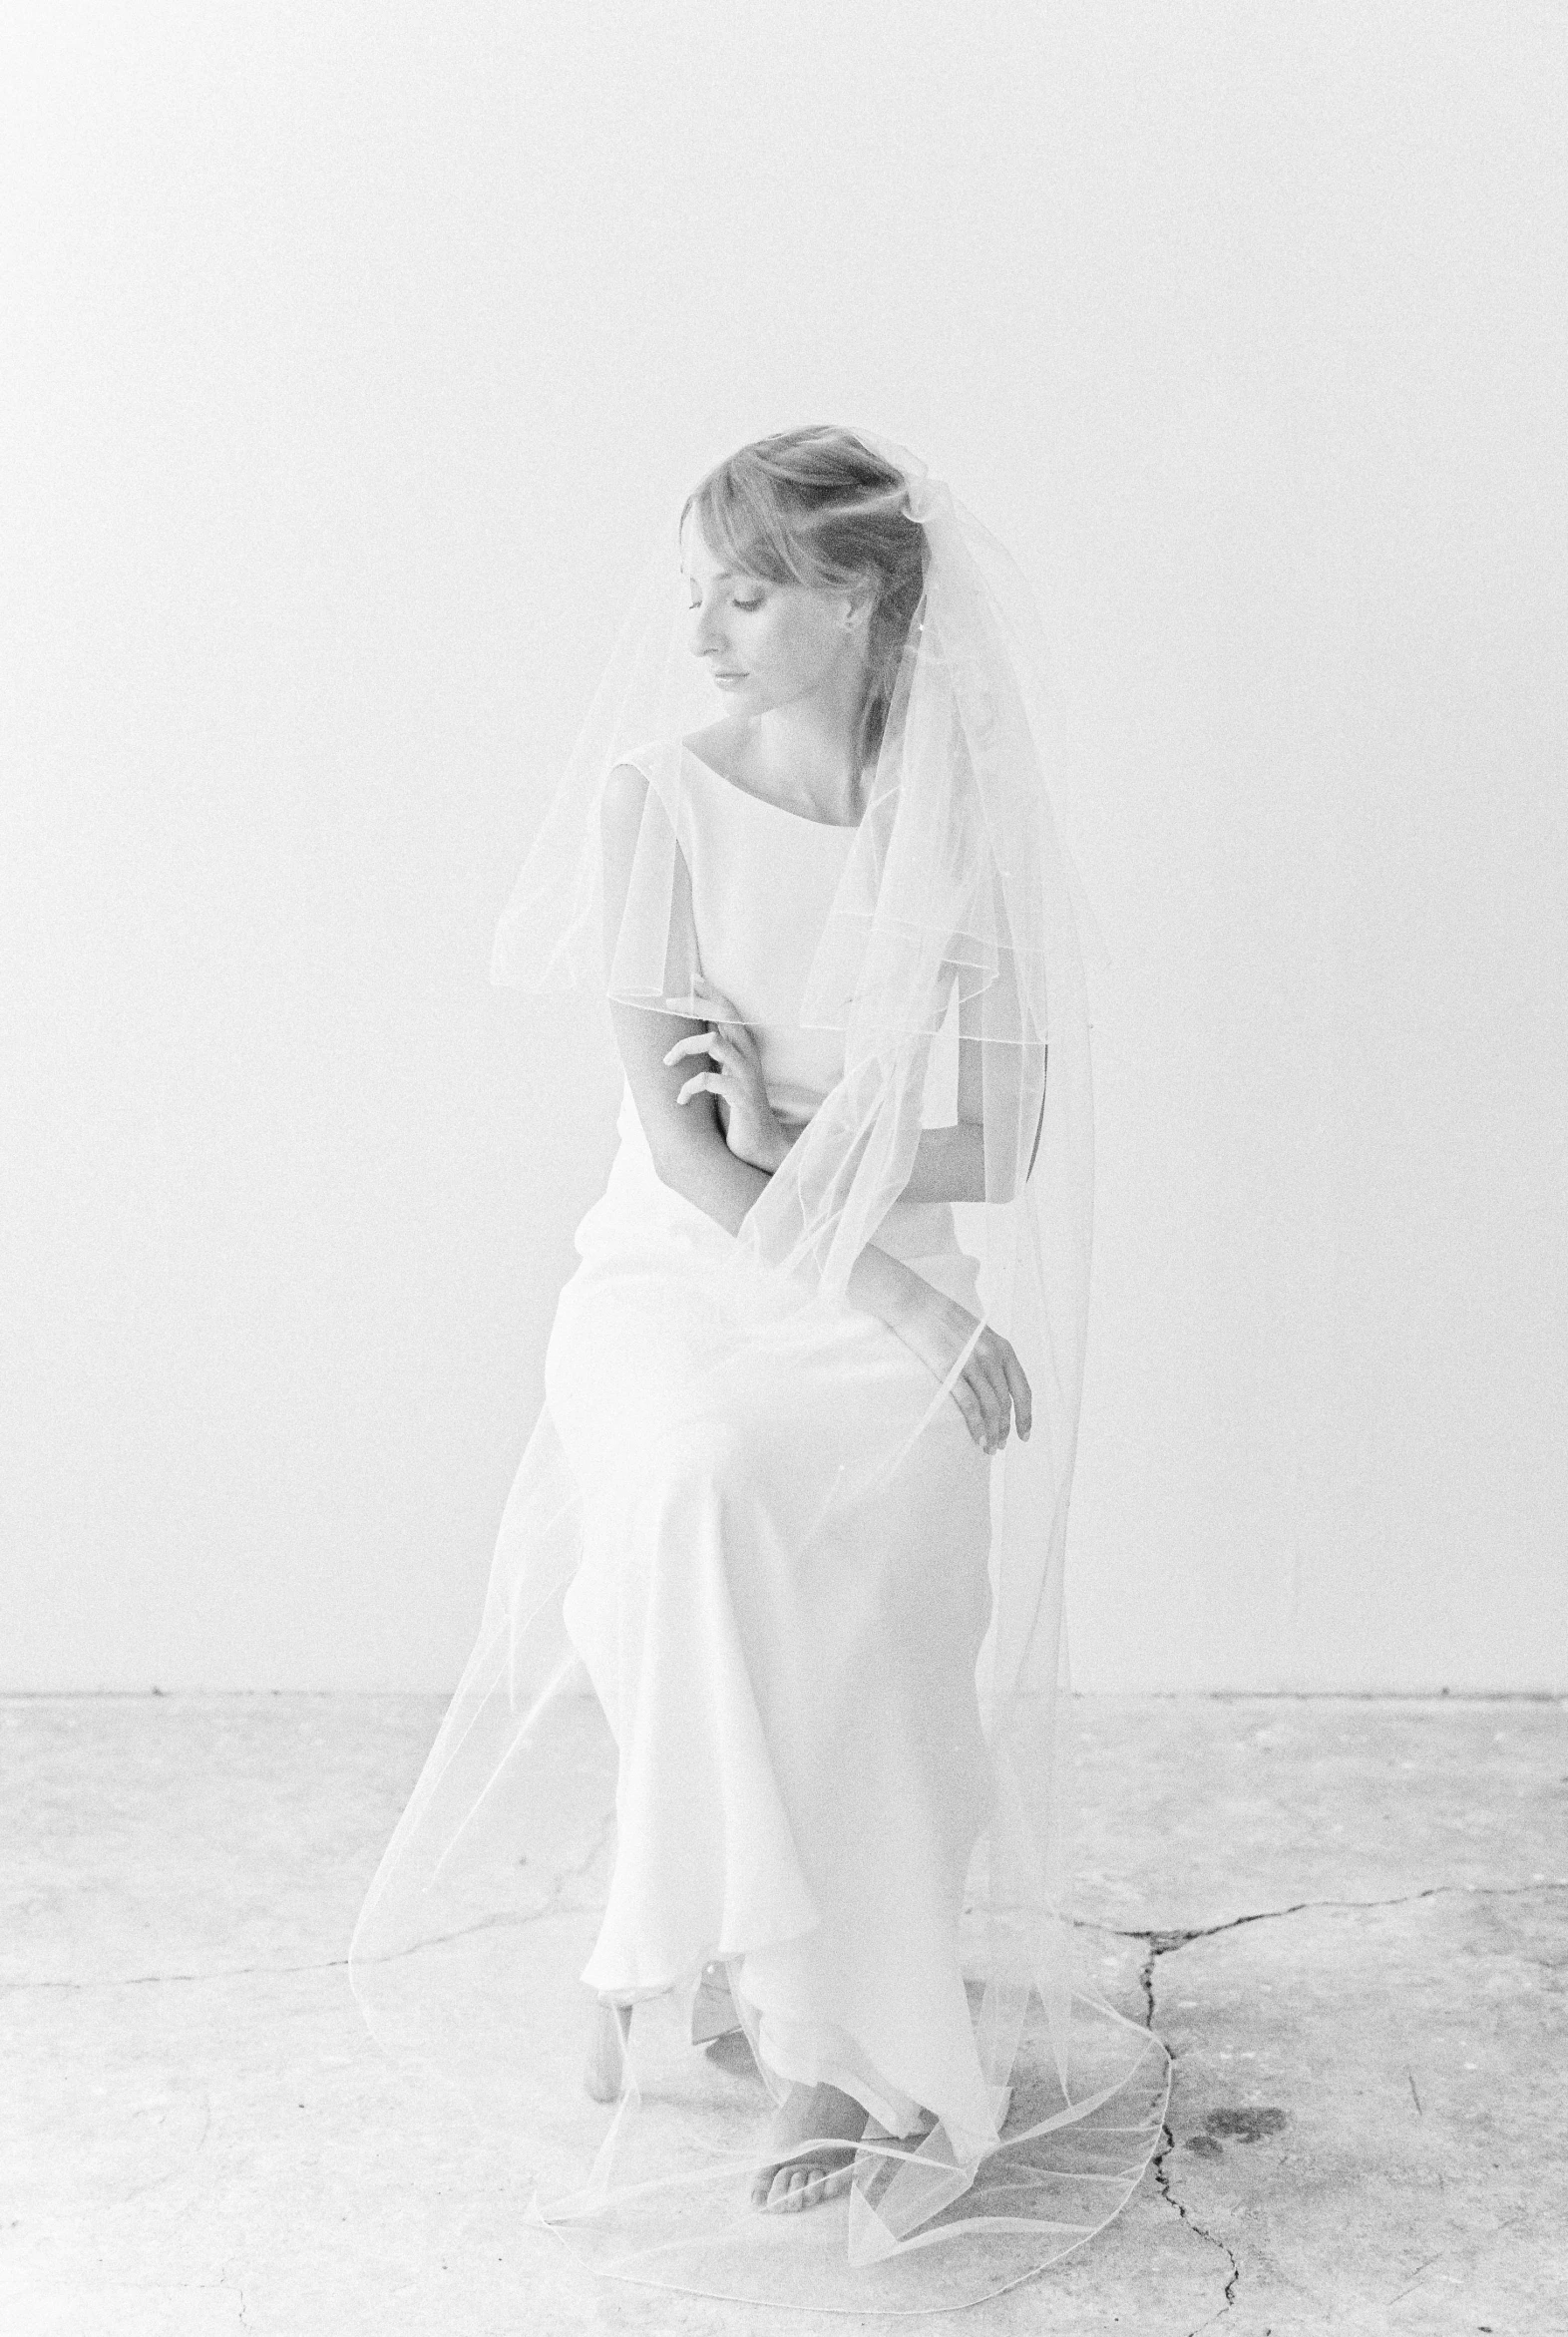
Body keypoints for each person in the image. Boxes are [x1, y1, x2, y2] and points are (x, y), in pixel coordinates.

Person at [351, 426, 1167, 2309]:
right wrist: (898, 1270)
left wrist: (819, 1141)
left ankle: (834, 2025)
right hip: (676, 1282)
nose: (706, 627)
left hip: (858, 1272)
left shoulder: (949, 809)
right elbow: (685, 1153)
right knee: (705, 1478)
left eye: (755, 587)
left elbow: (1003, 1144)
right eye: (702, 584)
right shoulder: (658, 803)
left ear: (863, 599)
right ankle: (713, 1939)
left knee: (864, 1537)